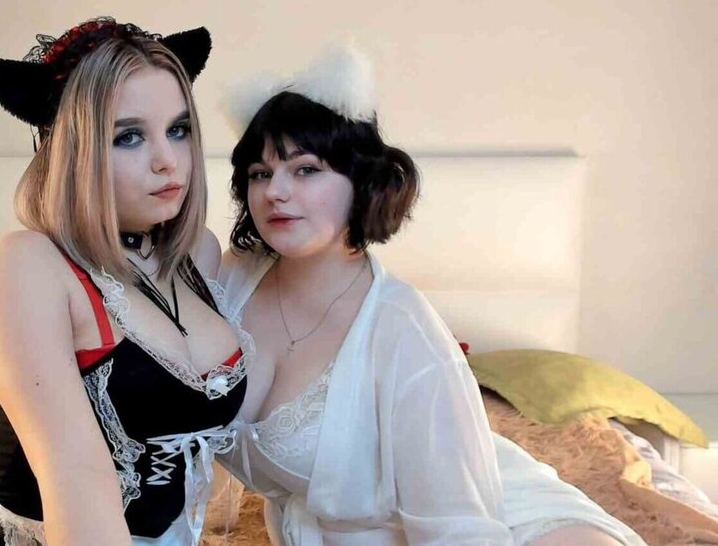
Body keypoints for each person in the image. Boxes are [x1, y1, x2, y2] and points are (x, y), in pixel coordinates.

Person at [216, 46, 645, 546]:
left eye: (306, 169)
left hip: (491, 520)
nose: (275, 191)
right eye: (260, 174)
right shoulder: (233, 281)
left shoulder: (403, 330)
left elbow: (458, 528)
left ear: (361, 181)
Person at [0, 17, 250, 546]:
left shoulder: (198, 254)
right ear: (73, 153)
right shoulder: (27, 265)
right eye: (129, 136)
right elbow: (76, 478)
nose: (167, 161)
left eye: (178, 130)